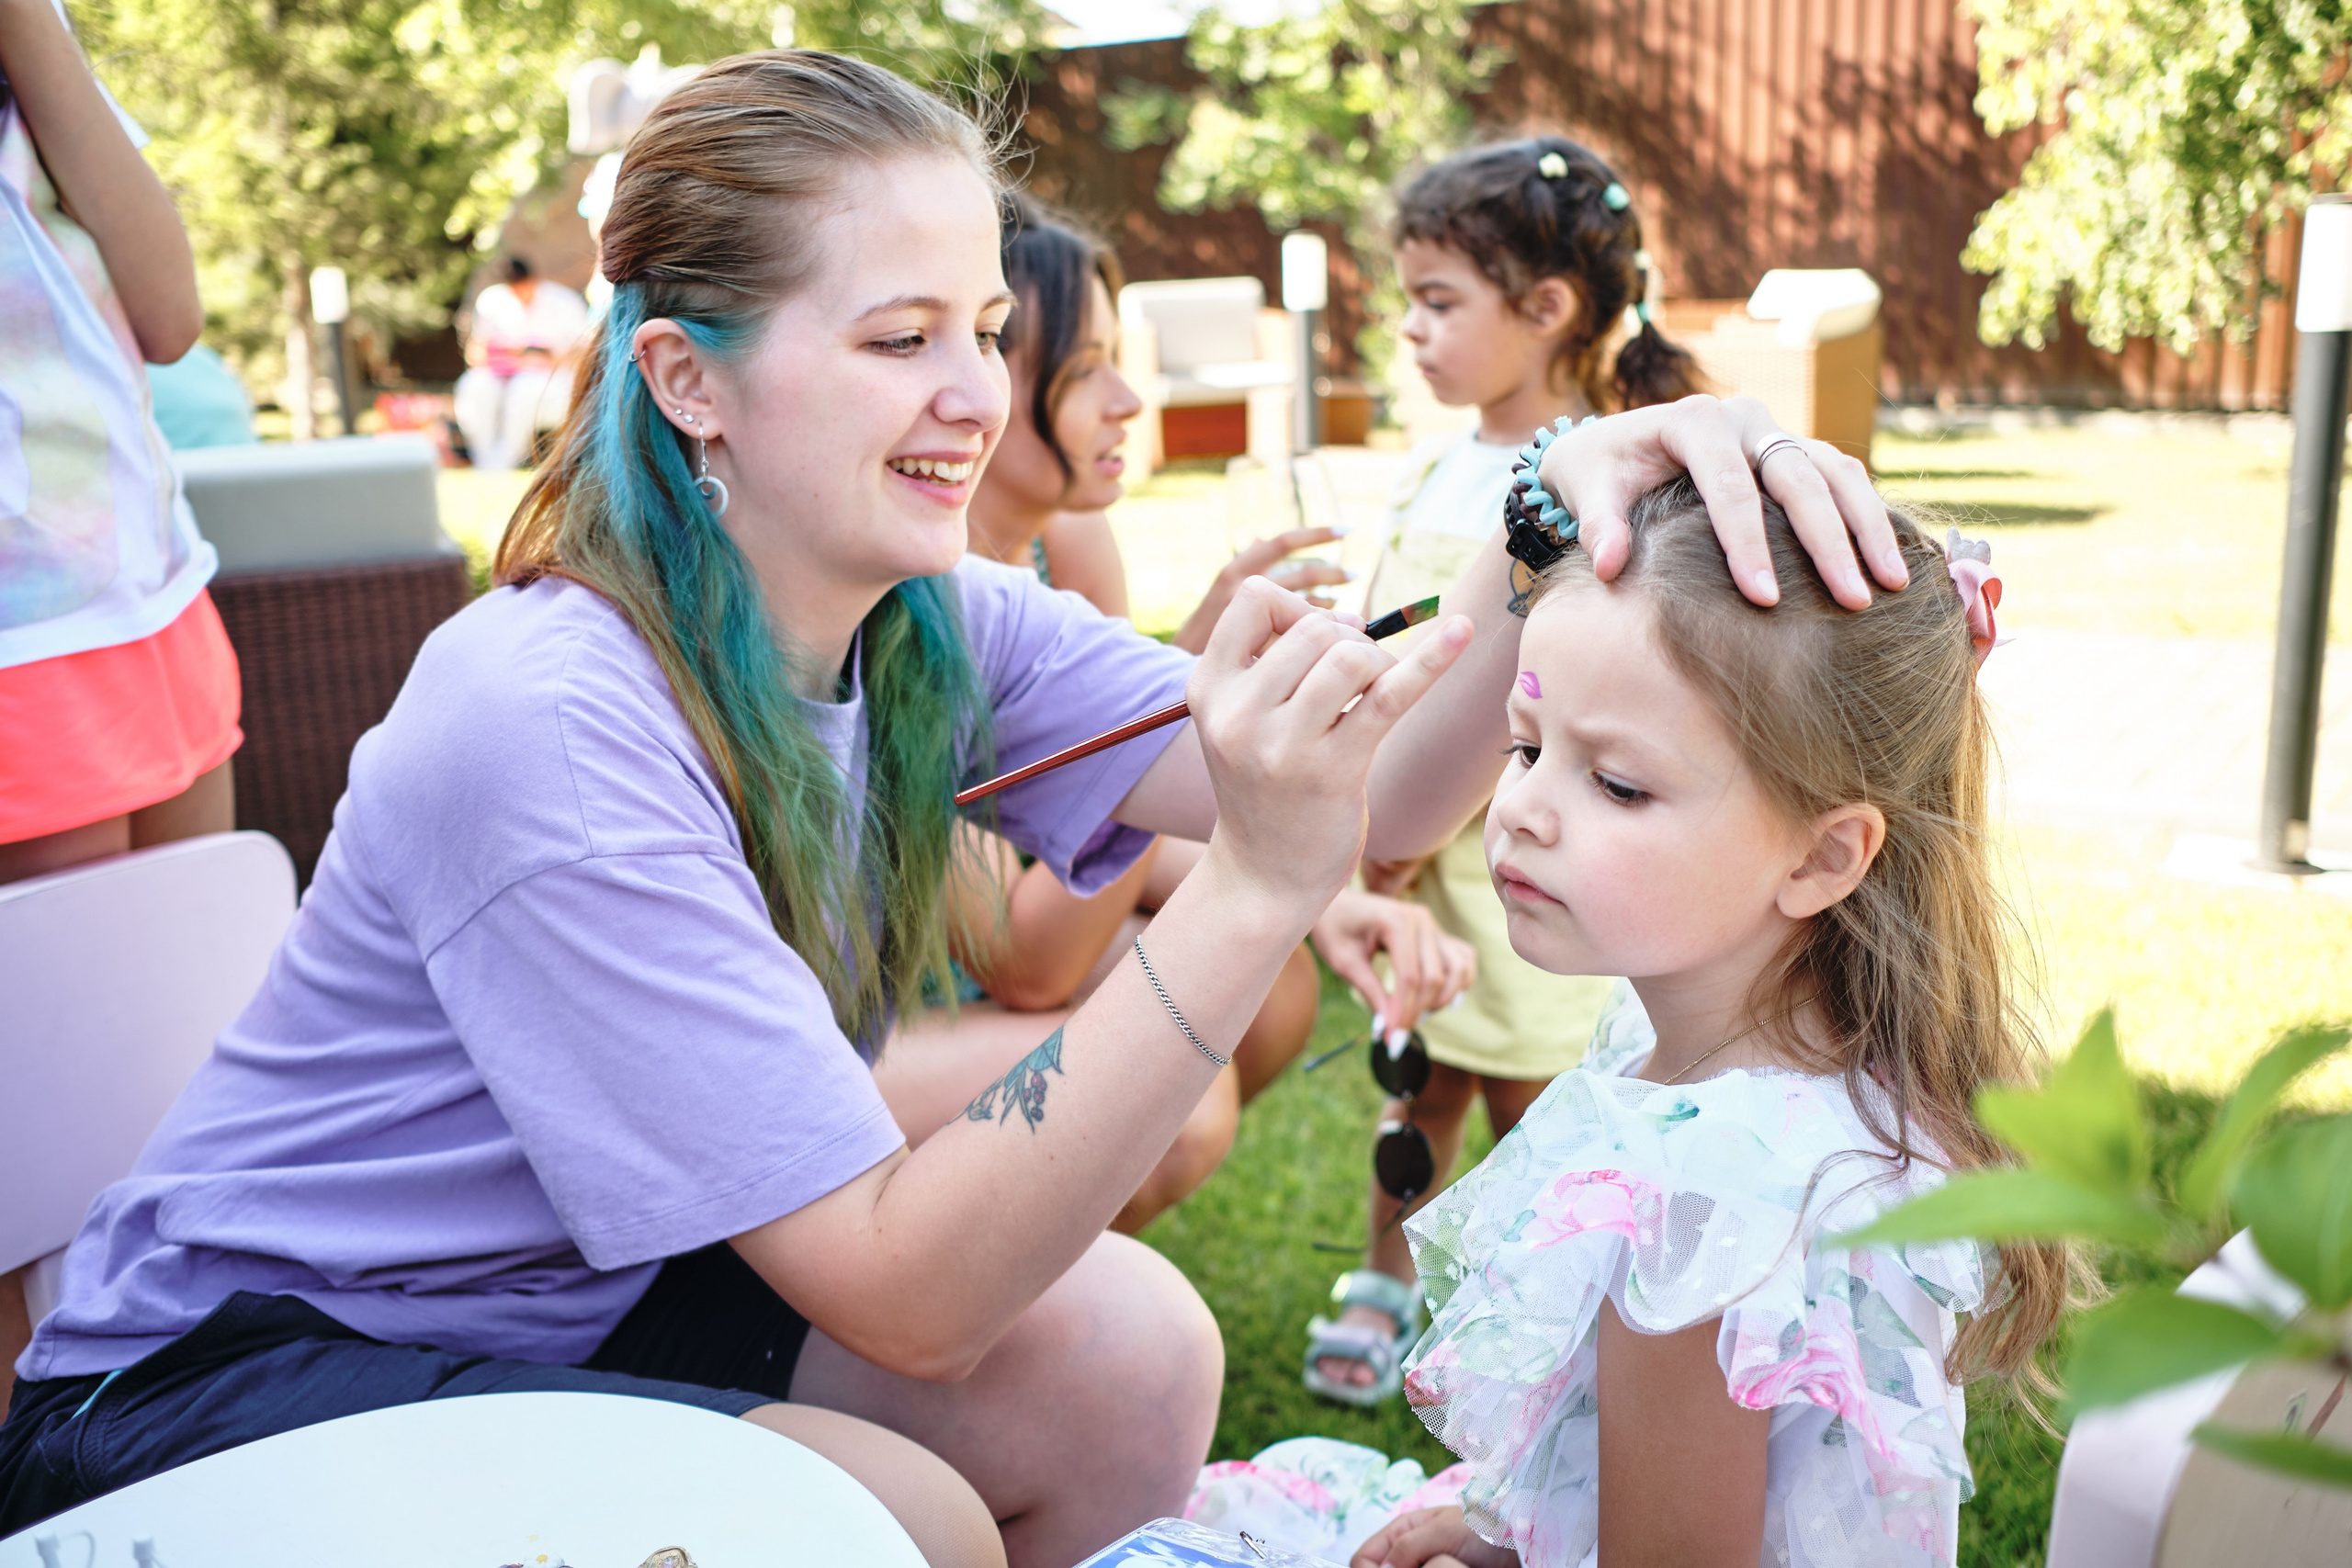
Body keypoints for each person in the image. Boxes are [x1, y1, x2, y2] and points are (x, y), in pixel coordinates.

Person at [0, 50, 1902, 1568]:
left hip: (555, 1302)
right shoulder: (549, 720)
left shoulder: (923, 623)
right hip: (220, 1387)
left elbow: (1392, 780)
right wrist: (1247, 885)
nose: (972, 394)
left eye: (985, 327)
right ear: (689, 381)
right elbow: (908, 1292)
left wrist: (1557, 495)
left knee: (1124, 1355)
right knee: (890, 1516)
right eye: (895, 335)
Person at [1335, 479, 2065, 1566]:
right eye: (1525, 747)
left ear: (1821, 858)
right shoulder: (1792, 1083)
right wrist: (1513, 1533)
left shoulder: (1697, 1206)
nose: (1523, 809)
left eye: (1618, 785)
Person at [880, 194, 1475, 1234]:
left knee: (1279, 986)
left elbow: (1088, 820)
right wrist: (1187, 699)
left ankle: (1033, 1244)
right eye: (1084, 366)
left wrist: (1322, 899)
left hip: (1006, 930)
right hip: (908, 984)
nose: (1127, 401)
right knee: (1188, 1106)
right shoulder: (907, 607)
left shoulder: (1064, 546)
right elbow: (1032, 959)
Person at [1307, 136, 1706, 1405]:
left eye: (1439, 302)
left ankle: (1546, 1317)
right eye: (1407, 299)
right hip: (1409, 858)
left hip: (1524, 847)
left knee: (1542, 1107)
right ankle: (1384, 1270)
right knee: (1412, 1082)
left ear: (1546, 310)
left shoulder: (1600, 480)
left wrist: (1438, 814)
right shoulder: (1432, 468)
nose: (1410, 330)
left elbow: (1588, 681)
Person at [0, 0, 239, 890]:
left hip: (153, 588)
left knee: (203, 993)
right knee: (80, 1020)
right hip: (22, 640)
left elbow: (167, 315)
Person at [452, 254, 589, 471]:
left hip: (550, 376)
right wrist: (505, 356)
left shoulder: (564, 301)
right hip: (502, 373)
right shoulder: (492, 301)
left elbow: (582, 351)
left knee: (524, 389)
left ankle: (507, 459)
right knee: (475, 386)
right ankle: (483, 458)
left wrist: (545, 358)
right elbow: (476, 351)